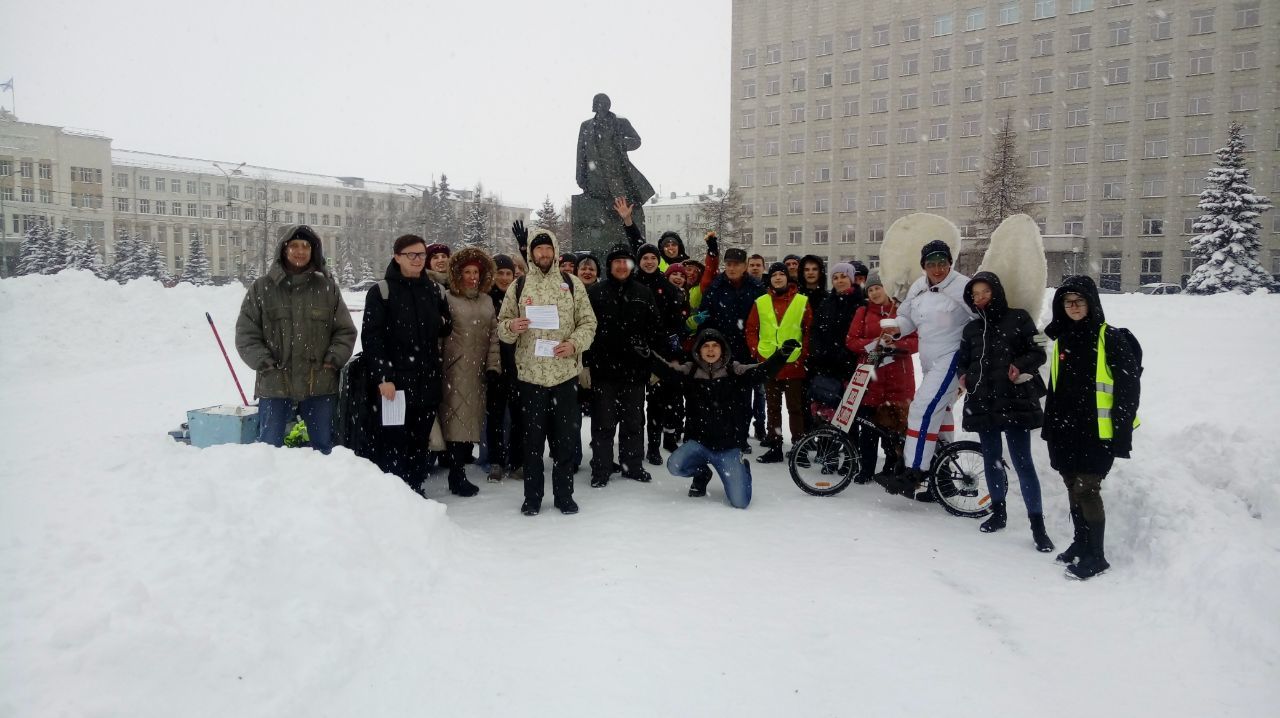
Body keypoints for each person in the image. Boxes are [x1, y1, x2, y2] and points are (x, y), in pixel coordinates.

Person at [1042, 275, 1140, 580]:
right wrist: (1051, 429)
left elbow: (1127, 389)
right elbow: (1056, 389)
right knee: (1072, 485)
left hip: (1098, 432)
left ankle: (1097, 556)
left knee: (1086, 490)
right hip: (1067, 430)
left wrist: (1121, 433)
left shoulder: (1110, 338)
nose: (1073, 307)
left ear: (1091, 303)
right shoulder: (1063, 339)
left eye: (1079, 301)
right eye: (1067, 302)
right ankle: (1080, 542)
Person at [496, 228, 598, 516]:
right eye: (538, 249)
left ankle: (564, 496)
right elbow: (502, 327)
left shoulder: (571, 283)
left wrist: (573, 344)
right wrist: (512, 328)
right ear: (530, 252)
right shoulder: (519, 285)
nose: (543, 254)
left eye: (547, 248)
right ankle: (532, 497)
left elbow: (588, 323)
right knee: (531, 443)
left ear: (554, 250)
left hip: (564, 377)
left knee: (564, 442)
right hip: (530, 379)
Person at [235, 224, 356, 454]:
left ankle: (326, 489)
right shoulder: (262, 288)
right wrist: (264, 362)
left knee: (324, 448)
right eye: (294, 246)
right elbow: (246, 333)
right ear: (283, 249)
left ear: (313, 251)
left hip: (319, 383)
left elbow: (345, 331)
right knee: (269, 449)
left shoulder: (327, 288)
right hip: (275, 383)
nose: (300, 251)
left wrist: (333, 359)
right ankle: (271, 489)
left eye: (306, 246)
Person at [956, 272, 1053, 552]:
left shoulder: (1020, 318)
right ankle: (998, 514)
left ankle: (1038, 527)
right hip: (983, 401)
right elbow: (963, 361)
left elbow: (1040, 351)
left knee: (1024, 464)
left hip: (1015, 400)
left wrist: (1021, 365)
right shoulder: (971, 329)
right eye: (975, 294)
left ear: (996, 292)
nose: (980, 298)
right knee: (991, 460)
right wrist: (963, 376)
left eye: (985, 292)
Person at [645, 330, 798, 508]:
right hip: (699, 443)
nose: (711, 350)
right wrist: (649, 356)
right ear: (698, 350)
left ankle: (742, 469)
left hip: (728, 447)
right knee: (674, 465)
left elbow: (761, 372)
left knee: (740, 502)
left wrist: (781, 355)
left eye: (715, 346)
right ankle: (702, 473)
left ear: (722, 349)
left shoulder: (734, 371)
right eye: (706, 346)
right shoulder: (690, 371)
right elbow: (667, 370)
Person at [878, 240, 973, 498]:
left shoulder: (963, 287)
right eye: (931, 263)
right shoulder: (919, 287)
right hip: (929, 360)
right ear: (924, 266)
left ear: (950, 263)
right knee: (939, 415)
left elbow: (982, 318)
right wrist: (896, 328)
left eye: (942, 262)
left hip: (951, 356)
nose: (937, 268)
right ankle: (942, 480)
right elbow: (908, 318)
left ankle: (914, 471)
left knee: (922, 409)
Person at [360, 234, 452, 495]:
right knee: (393, 440)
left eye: (421, 255)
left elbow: (446, 325)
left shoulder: (433, 290)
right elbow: (372, 338)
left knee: (420, 440)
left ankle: (414, 488)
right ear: (397, 257)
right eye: (411, 255)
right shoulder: (382, 291)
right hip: (395, 384)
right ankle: (394, 494)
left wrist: (440, 323)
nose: (417, 260)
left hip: (426, 380)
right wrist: (383, 377)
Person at [585, 244, 663, 487]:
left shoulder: (643, 292)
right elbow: (585, 330)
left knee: (633, 422)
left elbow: (655, 331)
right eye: (617, 262)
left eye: (626, 262)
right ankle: (602, 468)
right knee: (603, 423)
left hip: (635, 371)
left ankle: (632, 465)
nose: (621, 266)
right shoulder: (596, 293)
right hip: (603, 371)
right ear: (610, 266)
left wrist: (654, 366)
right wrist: (585, 365)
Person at [439, 247, 501, 497]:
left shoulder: (486, 300)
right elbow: (440, 337)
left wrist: (493, 366)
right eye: (467, 271)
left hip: (478, 371)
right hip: (454, 369)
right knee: (455, 421)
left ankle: (459, 469)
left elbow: (494, 336)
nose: (472, 276)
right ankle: (456, 473)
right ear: (458, 273)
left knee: (471, 420)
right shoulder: (448, 298)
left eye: (476, 271)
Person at [845, 274, 917, 483]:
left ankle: (892, 465)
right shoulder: (863, 311)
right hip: (872, 375)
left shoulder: (902, 311)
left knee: (894, 426)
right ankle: (866, 468)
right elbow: (851, 340)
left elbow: (916, 340)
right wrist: (874, 342)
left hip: (899, 377)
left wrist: (896, 345)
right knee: (868, 426)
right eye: (870, 290)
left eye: (878, 288)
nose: (875, 293)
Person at [747, 262, 814, 463]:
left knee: (795, 408)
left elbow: (808, 331)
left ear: (787, 278)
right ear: (770, 279)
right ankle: (775, 445)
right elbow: (751, 329)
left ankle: (798, 448)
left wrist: (803, 356)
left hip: (793, 362)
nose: (778, 278)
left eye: (781, 274)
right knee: (773, 408)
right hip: (769, 363)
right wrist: (757, 352)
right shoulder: (761, 302)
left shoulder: (801, 301)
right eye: (774, 275)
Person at [700, 246, 765, 452]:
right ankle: (723, 436)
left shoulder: (757, 288)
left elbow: (764, 319)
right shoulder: (715, 287)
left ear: (745, 266)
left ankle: (741, 437)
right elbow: (706, 317)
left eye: (736, 264)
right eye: (728, 264)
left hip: (746, 351)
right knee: (721, 397)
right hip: (721, 351)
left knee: (744, 398)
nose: (732, 267)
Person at [485, 254, 523, 483]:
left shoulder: (519, 297)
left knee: (520, 416)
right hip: (494, 367)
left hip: (518, 365)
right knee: (495, 417)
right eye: (500, 272)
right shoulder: (486, 299)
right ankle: (496, 461)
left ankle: (518, 460)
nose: (504, 277)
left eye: (508, 273)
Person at [807, 262, 865, 406]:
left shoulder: (861, 303)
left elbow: (862, 333)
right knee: (829, 412)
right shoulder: (826, 303)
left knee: (851, 411)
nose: (839, 281)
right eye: (835, 278)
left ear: (851, 279)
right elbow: (815, 331)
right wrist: (819, 353)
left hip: (852, 366)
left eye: (843, 277)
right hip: (827, 365)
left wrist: (846, 354)